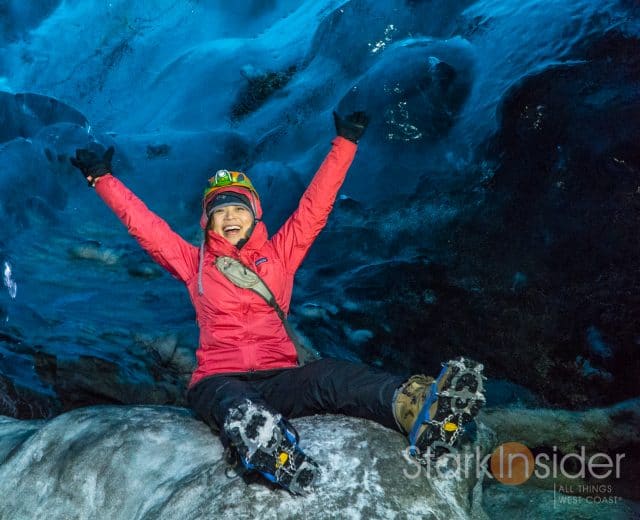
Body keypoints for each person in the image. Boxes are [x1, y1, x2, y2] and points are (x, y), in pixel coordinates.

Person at [70, 111, 486, 495]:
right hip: (218, 377)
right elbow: (145, 225)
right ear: (208, 221)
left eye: (238, 207)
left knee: (332, 377)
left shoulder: (281, 253)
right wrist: (101, 178)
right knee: (231, 402)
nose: (229, 216)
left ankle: (418, 409)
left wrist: (345, 143)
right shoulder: (192, 262)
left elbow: (314, 208)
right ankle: (266, 444)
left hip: (281, 376)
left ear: (254, 214)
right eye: (219, 211)